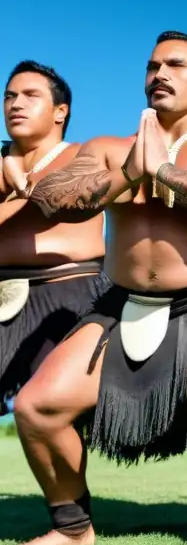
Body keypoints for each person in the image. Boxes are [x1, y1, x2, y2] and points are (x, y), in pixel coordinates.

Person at [6, 32, 187, 545]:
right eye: (152, 66)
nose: (160, 74)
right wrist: (129, 172)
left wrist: (163, 172)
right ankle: (73, 526)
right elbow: (56, 199)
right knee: (37, 407)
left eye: (175, 65)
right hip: (119, 305)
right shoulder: (108, 148)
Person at [0, 61, 107, 417]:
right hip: (4, 294)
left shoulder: (84, 156)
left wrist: (21, 181)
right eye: (9, 96)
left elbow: (61, 200)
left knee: (51, 412)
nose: (16, 104)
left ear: (61, 112)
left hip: (67, 292)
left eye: (30, 96)